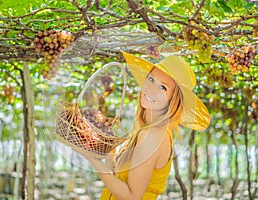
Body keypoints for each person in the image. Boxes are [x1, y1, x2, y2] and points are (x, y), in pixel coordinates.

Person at [80, 51, 210, 200]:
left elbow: (131, 196)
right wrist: (111, 150)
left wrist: (94, 161)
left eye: (163, 88)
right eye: (151, 79)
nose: (151, 88)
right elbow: (117, 180)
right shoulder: (145, 130)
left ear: (173, 101)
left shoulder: (154, 135)